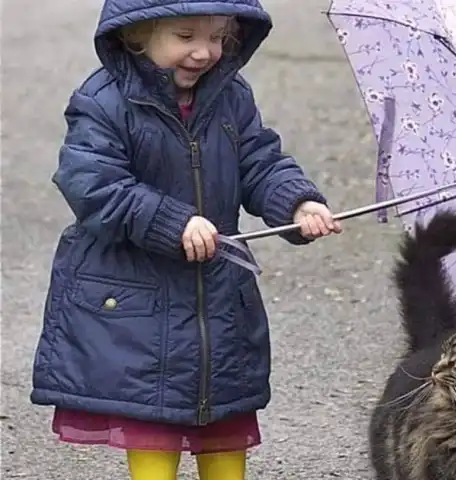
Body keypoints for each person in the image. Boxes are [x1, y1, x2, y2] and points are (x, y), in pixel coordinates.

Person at [29, 1, 342, 479]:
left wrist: (296, 203)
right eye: (185, 36)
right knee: (154, 417)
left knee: (223, 415)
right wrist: (170, 221)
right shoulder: (104, 101)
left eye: (218, 37)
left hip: (216, 297)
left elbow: (259, 160)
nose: (205, 52)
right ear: (136, 35)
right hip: (138, 302)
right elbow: (92, 184)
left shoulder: (231, 96)